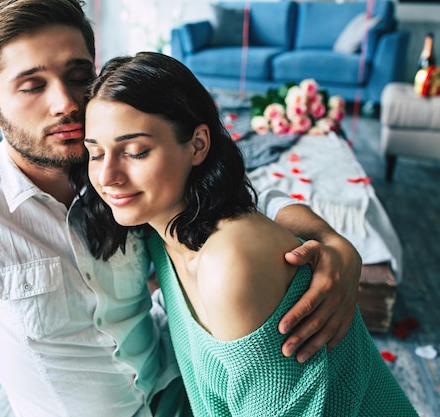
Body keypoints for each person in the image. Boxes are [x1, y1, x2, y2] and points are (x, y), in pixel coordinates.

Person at [0, 1, 363, 416]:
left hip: (183, 396)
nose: (66, 103)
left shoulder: (118, 169)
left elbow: (235, 193)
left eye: (77, 75)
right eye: (33, 85)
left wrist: (331, 240)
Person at [78, 51, 418, 417]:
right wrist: (326, 234)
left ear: (198, 145)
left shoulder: (232, 259)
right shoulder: (160, 231)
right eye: (95, 153)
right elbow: (264, 197)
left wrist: (332, 240)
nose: (107, 176)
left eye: (136, 151)